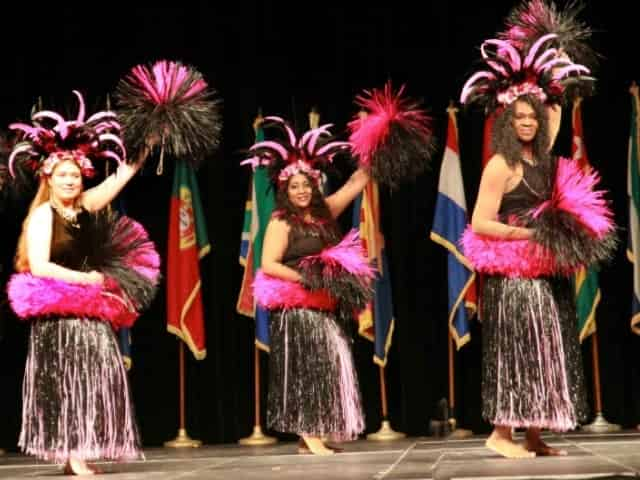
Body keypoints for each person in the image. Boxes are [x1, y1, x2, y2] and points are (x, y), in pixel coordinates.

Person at [460, 34, 612, 458]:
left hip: (544, 270)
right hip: (512, 275)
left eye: (533, 117)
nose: (528, 123)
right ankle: (501, 433)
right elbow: (479, 222)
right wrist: (529, 235)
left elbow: (556, 110)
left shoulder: (542, 156)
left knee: (547, 350)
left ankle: (534, 435)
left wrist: (556, 69)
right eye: (520, 117)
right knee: (517, 351)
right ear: (508, 122)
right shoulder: (500, 165)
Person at [8, 91, 157, 475]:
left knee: (97, 377)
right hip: (61, 315)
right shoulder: (43, 215)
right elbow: (40, 266)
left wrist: (149, 140)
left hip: (91, 308)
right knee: (68, 381)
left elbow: (123, 176)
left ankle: (81, 450)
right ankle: (72, 455)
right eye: (64, 175)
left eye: (76, 174)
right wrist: (88, 279)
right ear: (49, 177)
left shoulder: (87, 206)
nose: (71, 179)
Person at [246, 117, 370, 455]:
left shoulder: (326, 212)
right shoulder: (281, 221)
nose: (301, 191)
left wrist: (374, 148)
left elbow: (356, 182)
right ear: (285, 189)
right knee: (306, 368)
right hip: (297, 310)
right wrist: (307, 277)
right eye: (294, 186)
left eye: (307, 185)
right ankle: (310, 432)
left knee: (329, 364)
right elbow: (268, 263)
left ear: (316, 185)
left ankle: (310, 435)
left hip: (322, 306)